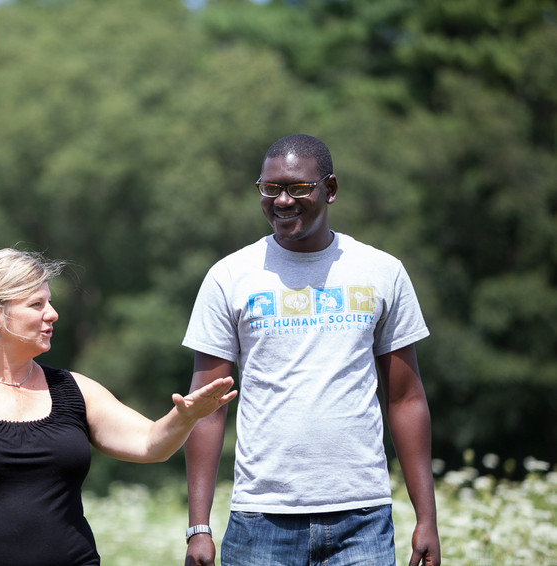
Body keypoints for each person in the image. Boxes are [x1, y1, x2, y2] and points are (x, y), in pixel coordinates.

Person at [0, 248, 237, 566]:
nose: (52, 313)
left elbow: (151, 444)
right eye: (36, 304)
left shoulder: (75, 390)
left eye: (50, 302)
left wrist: (184, 417)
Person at [182, 134, 441, 566]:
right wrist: (199, 528)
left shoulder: (382, 271)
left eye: (298, 188)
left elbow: (406, 399)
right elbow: (206, 410)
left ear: (330, 189)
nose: (282, 201)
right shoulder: (229, 277)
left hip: (362, 519)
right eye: (270, 188)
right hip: (261, 519)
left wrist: (426, 519)